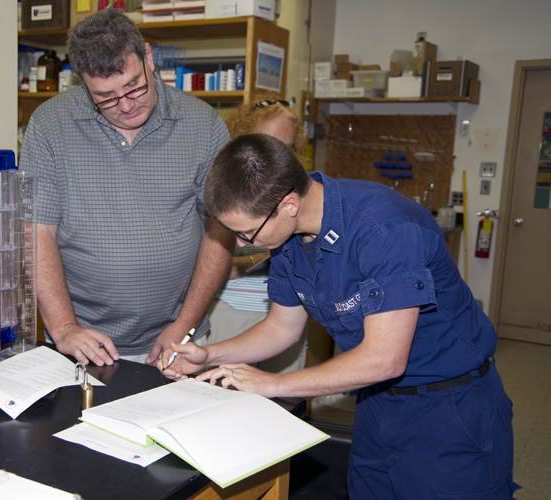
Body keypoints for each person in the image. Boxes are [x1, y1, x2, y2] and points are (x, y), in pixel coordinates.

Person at [159, 134, 518, 499]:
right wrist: (211, 355)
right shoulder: (287, 236)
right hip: (377, 402)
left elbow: (384, 358)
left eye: (246, 232)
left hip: (449, 407)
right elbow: (282, 327)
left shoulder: (386, 228)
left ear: (289, 204)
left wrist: (271, 384)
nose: (240, 244)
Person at [19, 10, 234, 367]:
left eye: (134, 86)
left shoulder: (203, 124)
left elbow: (219, 229)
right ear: (82, 83)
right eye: (105, 97)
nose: (126, 105)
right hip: (83, 344)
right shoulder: (49, 125)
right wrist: (65, 327)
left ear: (148, 58)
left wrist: (185, 323)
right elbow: (36, 231)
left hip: (177, 339)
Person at [206, 98, 308, 374]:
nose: (278, 157)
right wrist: (265, 250)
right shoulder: (225, 190)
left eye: (287, 148)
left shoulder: (296, 190)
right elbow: (218, 267)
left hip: (285, 315)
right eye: (270, 142)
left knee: (283, 402)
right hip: (232, 311)